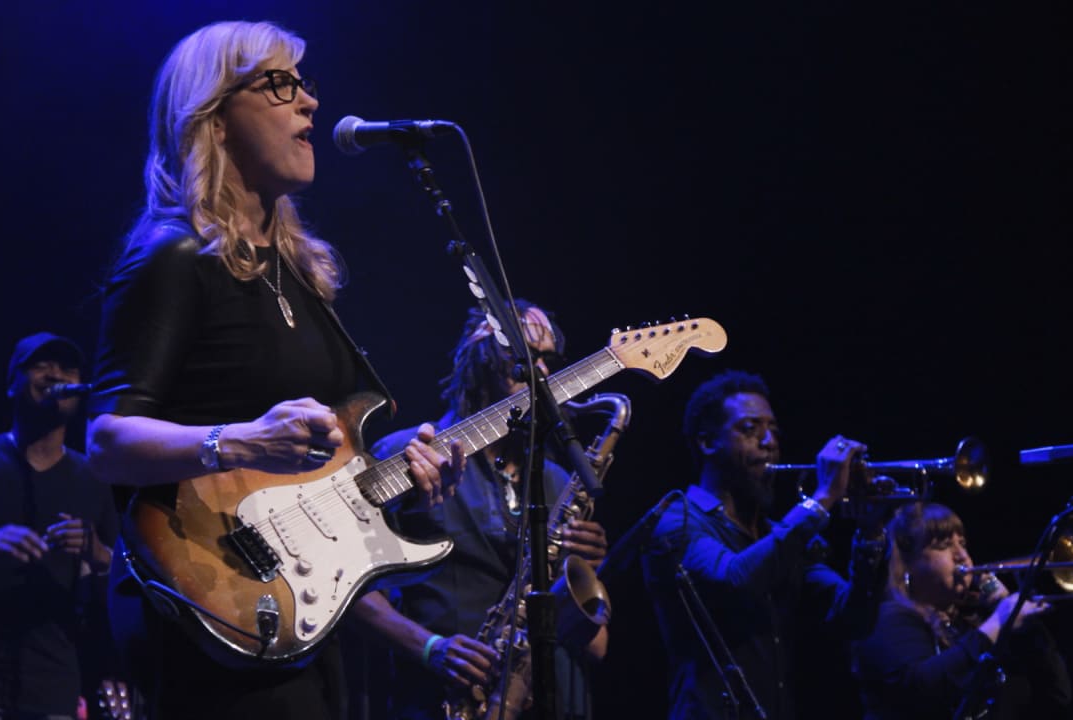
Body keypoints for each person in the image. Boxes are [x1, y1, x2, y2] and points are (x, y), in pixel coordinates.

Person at [84, 20, 465, 720]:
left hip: (297, 609)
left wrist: (401, 465)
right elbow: (107, 441)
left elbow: (323, 457)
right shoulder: (174, 258)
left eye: (305, 84)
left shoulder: (299, 275)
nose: (310, 104)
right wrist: (239, 441)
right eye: (280, 84)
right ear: (215, 117)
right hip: (203, 602)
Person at [348, 299, 611, 720]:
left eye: (546, 360)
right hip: (436, 702)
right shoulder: (410, 455)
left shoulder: (559, 483)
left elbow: (597, 645)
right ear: (479, 357)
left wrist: (578, 571)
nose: (540, 370)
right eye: (522, 355)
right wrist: (429, 647)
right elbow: (347, 588)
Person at [638, 368, 889, 720]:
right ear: (707, 442)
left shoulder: (777, 535)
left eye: (773, 430)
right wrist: (821, 500)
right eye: (750, 429)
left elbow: (852, 619)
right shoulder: (678, 521)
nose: (769, 441)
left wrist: (871, 532)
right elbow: (733, 580)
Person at [0, 331, 119, 720]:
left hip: (54, 680)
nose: (57, 374)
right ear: (11, 383)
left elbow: (122, 574)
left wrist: (96, 551)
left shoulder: (93, 477)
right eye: (42, 364)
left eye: (68, 367)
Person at [851, 501, 1071, 720]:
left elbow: (1057, 695)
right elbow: (921, 690)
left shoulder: (967, 624)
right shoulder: (885, 619)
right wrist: (998, 622)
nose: (962, 555)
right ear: (908, 564)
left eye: (962, 544)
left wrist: (1024, 627)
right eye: (944, 545)